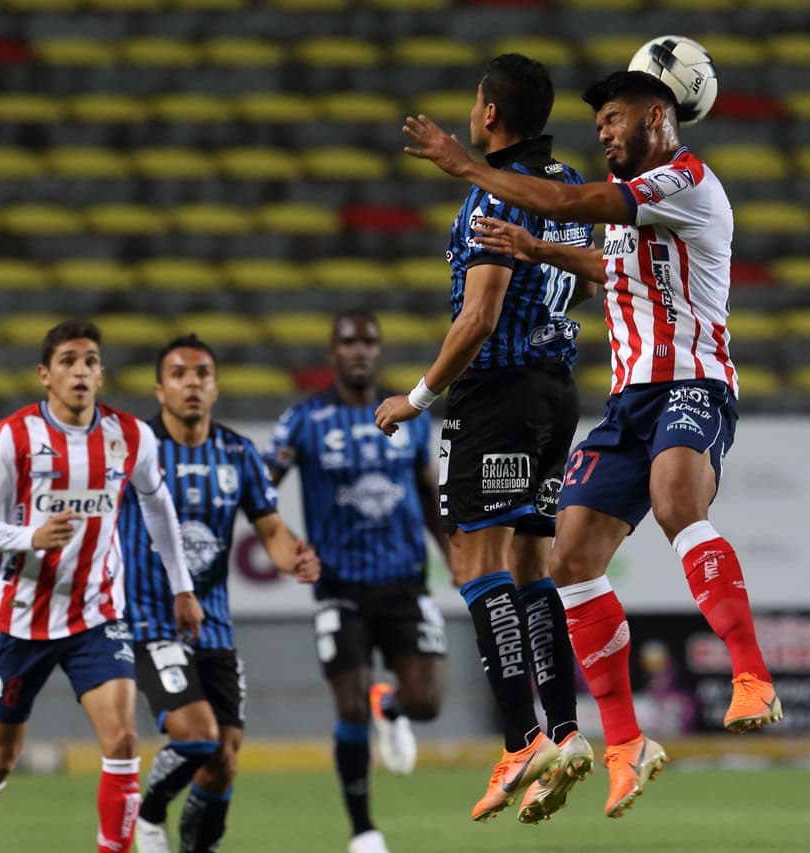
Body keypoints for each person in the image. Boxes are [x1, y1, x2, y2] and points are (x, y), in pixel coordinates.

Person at [402, 68, 784, 819]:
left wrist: (470, 169)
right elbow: (606, 265)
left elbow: (574, 201)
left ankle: (751, 673)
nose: (602, 132)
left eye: (612, 118)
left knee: (676, 499)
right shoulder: (632, 209)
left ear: (657, 115)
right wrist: (533, 248)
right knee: (567, 558)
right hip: (628, 400)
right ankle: (625, 743)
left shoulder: (684, 181)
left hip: (694, 383)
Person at [374, 53, 598, 826]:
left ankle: (519, 737)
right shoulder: (565, 183)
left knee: (474, 557)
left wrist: (417, 396)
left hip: (495, 395)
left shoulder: (488, 204)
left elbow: (479, 318)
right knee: (533, 561)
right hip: (558, 394)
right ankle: (566, 731)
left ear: (490, 113)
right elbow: (599, 265)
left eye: (476, 100)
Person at [0, 319, 204, 853]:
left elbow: (158, 507)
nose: (80, 371)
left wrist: (182, 587)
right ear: (45, 375)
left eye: (89, 361)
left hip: (98, 615)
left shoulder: (131, 436)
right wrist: (29, 536)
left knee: (124, 743)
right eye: (68, 361)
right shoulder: (13, 436)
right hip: (22, 617)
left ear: (101, 373)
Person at [119, 334, 320, 853]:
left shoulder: (238, 453)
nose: (192, 383)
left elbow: (270, 529)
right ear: (159, 389)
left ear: (215, 387)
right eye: (179, 374)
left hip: (215, 626)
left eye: (202, 374)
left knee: (224, 759)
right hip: (147, 620)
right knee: (198, 736)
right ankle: (149, 813)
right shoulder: (134, 451)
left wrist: (293, 557)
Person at [268, 310, 448, 853]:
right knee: (346, 704)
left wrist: (456, 556)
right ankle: (364, 830)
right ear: (333, 353)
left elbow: (426, 494)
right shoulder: (302, 421)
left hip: (404, 584)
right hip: (340, 587)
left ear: (380, 351)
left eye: (369, 341)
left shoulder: (410, 415)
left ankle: (389, 707)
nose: (360, 350)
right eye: (349, 342)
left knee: (427, 704)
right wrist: (283, 540)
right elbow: (260, 487)